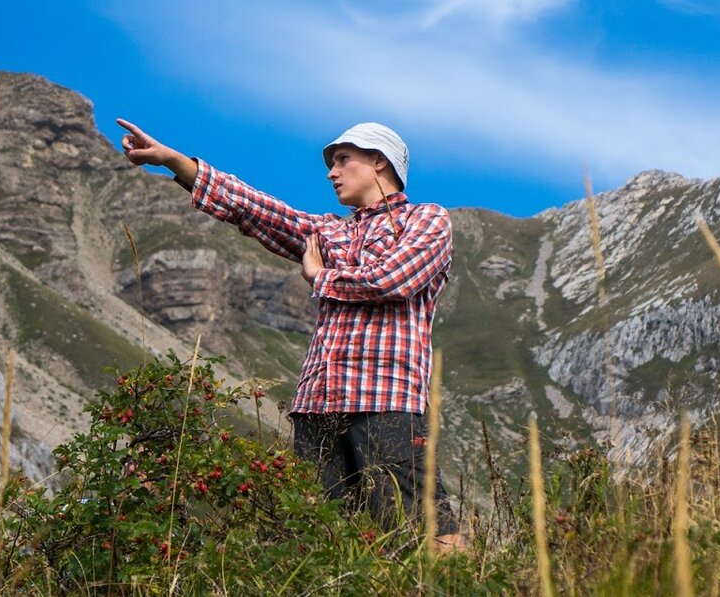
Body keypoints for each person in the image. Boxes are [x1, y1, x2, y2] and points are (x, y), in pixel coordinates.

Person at [116, 118, 465, 550]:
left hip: (387, 400)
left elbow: (392, 280)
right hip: (316, 409)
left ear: (379, 162)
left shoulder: (427, 220)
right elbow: (254, 207)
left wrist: (320, 277)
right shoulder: (328, 231)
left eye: (342, 160)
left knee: (422, 527)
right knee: (321, 540)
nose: (331, 172)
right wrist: (173, 160)